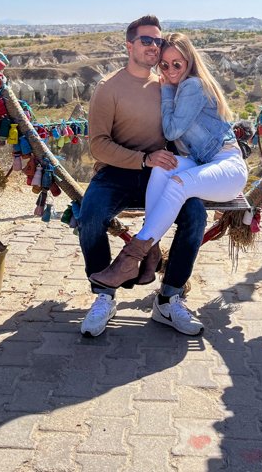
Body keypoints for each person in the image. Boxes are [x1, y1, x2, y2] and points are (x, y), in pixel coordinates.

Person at [90, 32, 248, 299]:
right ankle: (151, 255)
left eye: (178, 63)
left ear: (189, 61)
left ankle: (129, 260)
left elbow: (172, 130)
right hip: (204, 164)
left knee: (179, 184)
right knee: (164, 167)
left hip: (228, 168)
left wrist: (163, 89)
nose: (171, 70)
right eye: (164, 65)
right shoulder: (181, 87)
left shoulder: (191, 86)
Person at [78, 16, 208, 338]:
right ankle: (103, 296)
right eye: (146, 40)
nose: (154, 46)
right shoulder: (108, 89)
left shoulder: (169, 83)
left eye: (158, 41)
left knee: (195, 215)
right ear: (129, 45)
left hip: (161, 172)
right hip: (118, 171)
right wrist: (143, 159)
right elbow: (98, 145)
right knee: (91, 216)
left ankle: (168, 299)